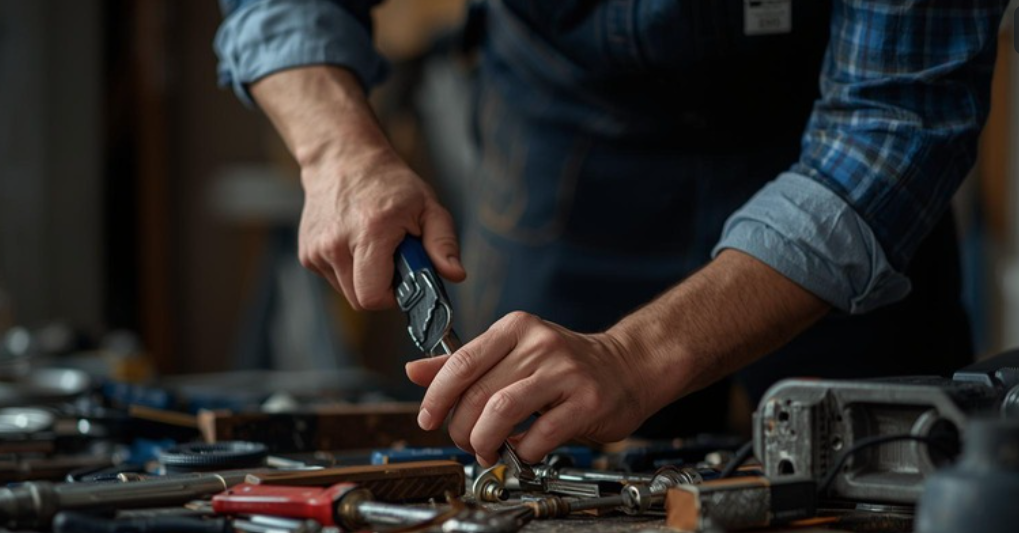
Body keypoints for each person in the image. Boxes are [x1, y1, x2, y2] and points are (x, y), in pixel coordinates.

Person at [216, 0, 1008, 465]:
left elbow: (894, 123)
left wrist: (633, 356)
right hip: (568, 135)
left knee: (891, 477)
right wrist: (337, 149)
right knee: (527, 453)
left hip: (837, 153)